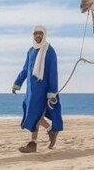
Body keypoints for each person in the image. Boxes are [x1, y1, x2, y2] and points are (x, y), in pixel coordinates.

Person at [12, 25, 63, 153]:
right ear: (33, 35)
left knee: (36, 115)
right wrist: (17, 83)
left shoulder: (49, 51)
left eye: (40, 33)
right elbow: (25, 69)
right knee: (35, 115)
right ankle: (51, 130)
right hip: (31, 91)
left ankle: (32, 143)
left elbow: (53, 72)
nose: (38, 35)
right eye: (36, 33)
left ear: (44, 35)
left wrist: (52, 92)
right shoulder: (30, 51)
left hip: (44, 90)